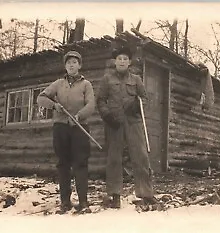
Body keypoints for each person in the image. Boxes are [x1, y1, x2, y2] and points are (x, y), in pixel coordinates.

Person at [96, 46, 157, 209]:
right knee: (114, 159)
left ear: (129, 62)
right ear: (115, 62)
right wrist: (107, 115)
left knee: (141, 157)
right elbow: (100, 100)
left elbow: (145, 99)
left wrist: (137, 106)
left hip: (134, 122)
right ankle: (114, 195)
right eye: (119, 59)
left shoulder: (136, 79)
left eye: (125, 59)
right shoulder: (107, 79)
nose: (122, 61)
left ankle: (146, 193)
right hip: (114, 123)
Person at [37, 50, 95, 214]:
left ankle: (83, 202)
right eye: (68, 62)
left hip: (80, 128)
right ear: (65, 66)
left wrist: (79, 115)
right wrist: (54, 105)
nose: (71, 65)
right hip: (61, 127)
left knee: (81, 164)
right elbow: (41, 98)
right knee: (63, 164)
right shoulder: (58, 84)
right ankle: (65, 202)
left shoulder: (86, 85)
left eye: (74, 62)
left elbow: (91, 105)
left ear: (79, 65)